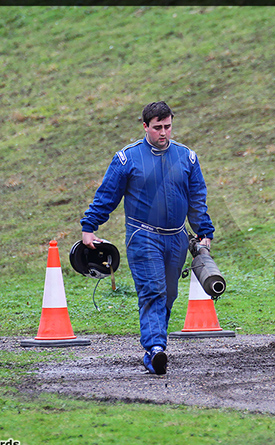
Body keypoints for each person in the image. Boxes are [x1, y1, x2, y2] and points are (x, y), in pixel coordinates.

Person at [80, 101, 215, 375]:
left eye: (167, 126)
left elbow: (197, 199)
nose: (163, 133)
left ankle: (156, 349)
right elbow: (107, 195)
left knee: (169, 294)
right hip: (143, 236)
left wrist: (204, 233)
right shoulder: (127, 159)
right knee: (153, 290)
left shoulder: (187, 157)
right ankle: (155, 349)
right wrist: (89, 226)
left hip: (177, 238)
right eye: (157, 128)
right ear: (145, 126)